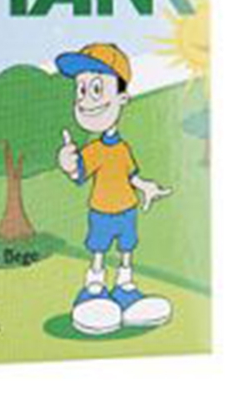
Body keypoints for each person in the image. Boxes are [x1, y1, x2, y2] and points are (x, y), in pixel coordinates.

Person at [56, 43, 173, 335]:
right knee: (98, 248)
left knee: (126, 248)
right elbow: (79, 172)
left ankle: (125, 289)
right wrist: (68, 163)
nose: (85, 101)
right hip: (101, 211)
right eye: (81, 90)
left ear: (122, 98)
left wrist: (146, 187)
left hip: (127, 209)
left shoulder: (122, 148)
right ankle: (94, 288)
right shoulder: (95, 149)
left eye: (96, 89)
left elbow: (131, 174)